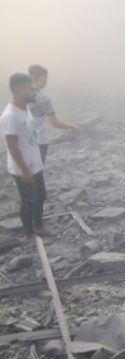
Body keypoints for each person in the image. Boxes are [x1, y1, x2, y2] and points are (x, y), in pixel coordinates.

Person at [1, 74, 48, 240]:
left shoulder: (24, 108)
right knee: (28, 201)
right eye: (30, 89)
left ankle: (38, 227)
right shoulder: (10, 115)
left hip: (35, 165)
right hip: (23, 168)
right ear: (18, 89)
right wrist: (25, 170)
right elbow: (12, 146)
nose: (34, 92)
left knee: (40, 196)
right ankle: (29, 234)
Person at [27, 65, 75, 164]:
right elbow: (55, 123)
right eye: (46, 79)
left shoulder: (21, 95)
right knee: (37, 171)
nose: (46, 81)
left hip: (24, 141)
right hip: (39, 142)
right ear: (42, 77)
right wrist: (70, 126)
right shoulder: (43, 98)